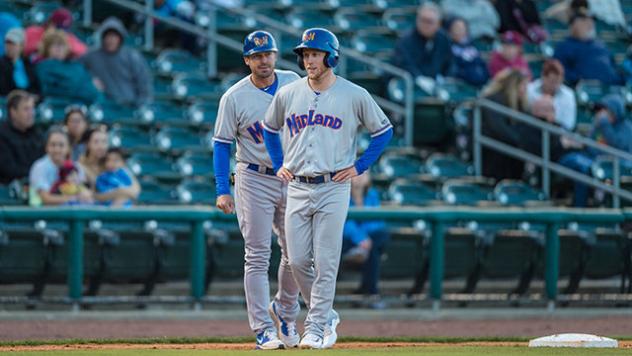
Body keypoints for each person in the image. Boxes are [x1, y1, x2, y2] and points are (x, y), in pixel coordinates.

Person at [263, 28, 393, 349]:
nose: (309, 60)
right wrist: (279, 161)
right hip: (297, 185)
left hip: (333, 185)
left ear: (330, 57)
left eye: (315, 54)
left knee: (325, 260)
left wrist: (360, 166)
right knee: (295, 260)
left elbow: (383, 131)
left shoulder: (354, 94)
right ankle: (327, 315)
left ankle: (317, 327)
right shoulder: (289, 93)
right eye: (306, 54)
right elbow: (268, 128)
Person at [213, 30, 301, 350]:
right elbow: (221, 145)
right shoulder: (234, 97)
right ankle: (263, 328)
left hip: (291, 175)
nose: (264, 61)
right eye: (257, 56)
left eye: (268, 55)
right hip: (253, 177)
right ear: (247, 60)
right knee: (258, 255)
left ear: (275, 56)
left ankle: (287, 311)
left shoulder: (295, 82)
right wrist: (223, 189)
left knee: (298, 253)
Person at [558, 94, 632, 206]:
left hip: (617, 167)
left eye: (605, 110)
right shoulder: (598, 124)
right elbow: (590, 145)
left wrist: (604, 124)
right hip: (594, 163)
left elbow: (618, 147)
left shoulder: (626, 128)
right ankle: (579, 209)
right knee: (578, 166)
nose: (601, 113)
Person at [341, 172, 389, 308]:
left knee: (380, 237)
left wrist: (365, 240)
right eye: (357, 172)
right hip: (347, 241)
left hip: (368, 242)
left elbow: (377, 221)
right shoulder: (341, 193)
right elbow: (344, 223)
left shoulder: (372, 194)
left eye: (364, 173)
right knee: (372, 249)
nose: (360, 176)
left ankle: (364, 291)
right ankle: (372, 294)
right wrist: (361, 238)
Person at [80, 17, 153, 107]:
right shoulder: (91, 56)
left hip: (129, 106)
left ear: (120, 38)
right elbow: (77, 72)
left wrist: (142, 104)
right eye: (108, 36)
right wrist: (90, 80)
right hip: (103, 106)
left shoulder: (131, 56)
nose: (111, 40)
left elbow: (143, 83)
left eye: (114, 36)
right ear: (103, 37)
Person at [392, 2, 453, 94]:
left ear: (438, 24)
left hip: (436, 85)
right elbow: (403, 64)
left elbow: (450, 63)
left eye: (429, 22)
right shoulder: (406, 40)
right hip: (411, 85)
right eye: (422, 20)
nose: (425, 25)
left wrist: (445, 78)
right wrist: (418, 78)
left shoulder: (443, 39)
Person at [480, 69, 530, 180]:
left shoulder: (519, 104)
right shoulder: (494, 100)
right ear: (514, 85)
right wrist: (520, 142)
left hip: (506, 150)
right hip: (489, 150)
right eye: (523, 85)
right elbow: (498, 128)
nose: (526, 89)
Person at [553, 8, 624, 86]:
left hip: (613, 88)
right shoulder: (564, 47)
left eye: (591, 21)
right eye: (584, 20)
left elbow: (613, 66)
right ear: (573, 25)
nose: (589, 24)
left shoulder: (601, 45)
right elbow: (558, 71)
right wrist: (579, 79)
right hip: (587, 91)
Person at [29, 126, 92, 206]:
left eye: (61, 145)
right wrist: (74, 198)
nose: (57, 149)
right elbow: (46, 199)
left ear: (68, 148)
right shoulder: (39, 167)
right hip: (44, 214)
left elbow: (85, 192)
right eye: (53, 145)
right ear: (46, 147)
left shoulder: (76, 167)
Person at [35, 29, 102, 104]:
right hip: (57, 107)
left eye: (62, 45)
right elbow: (53, 90)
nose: (59, 48)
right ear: (47, 48)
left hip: (81, 107)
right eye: (54, 45)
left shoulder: (76, 66)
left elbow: (95, 92)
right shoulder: (43, 66)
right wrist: (86, 88)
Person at [0, 90, 44, 184]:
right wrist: (37, 173)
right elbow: (8, 169)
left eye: (32, 109)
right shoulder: (2, 134)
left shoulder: (37, 133)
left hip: (36, 183)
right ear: (13, 112)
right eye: (26, 109)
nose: (31, 113)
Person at [527, 59, 577, 131]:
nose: (555, 85)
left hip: (558, 134)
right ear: (543, 77)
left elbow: (569, 124)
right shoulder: (530, 89)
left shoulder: (569, 95)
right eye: (552, 81)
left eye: (558, 81)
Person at [446, 17, 489, 87]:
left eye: (462, 28)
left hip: (479, 84)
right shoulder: (447, 47)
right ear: (450, 31)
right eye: (457, 28)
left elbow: (482, 65)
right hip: (460, 85)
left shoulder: (473, 46)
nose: (460, 31)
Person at [0, 28, 40, 96]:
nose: (9, 46)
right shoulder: (1, 64)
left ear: (22, 46)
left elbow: (37, 88)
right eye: (7, 43)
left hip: (29, 101)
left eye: (13, 44)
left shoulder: (28, 64)